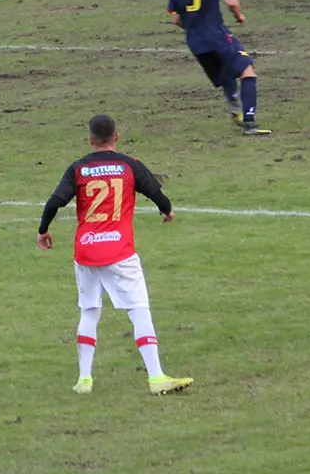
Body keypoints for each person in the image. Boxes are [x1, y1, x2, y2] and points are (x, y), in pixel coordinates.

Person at [37, 114, 194, 396]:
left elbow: (54, 202)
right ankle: (156, 377)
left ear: (90, 140)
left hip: (85, 251)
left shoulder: (79, 168)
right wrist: (166, 210)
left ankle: (84, 380)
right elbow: (157, 194)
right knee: (138, 309)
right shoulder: (129, 165)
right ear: (117, 137)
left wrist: (43, 230)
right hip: (119, 251)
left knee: (89, 310)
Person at [167, 0, 271, 136]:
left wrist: (195, 27)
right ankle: (249, 122)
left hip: (195, 41)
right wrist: (239, 16)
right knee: (247, 72)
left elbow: (177, 20)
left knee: (226, 74)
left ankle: (234, 104)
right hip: (216, 35)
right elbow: (231, 1)